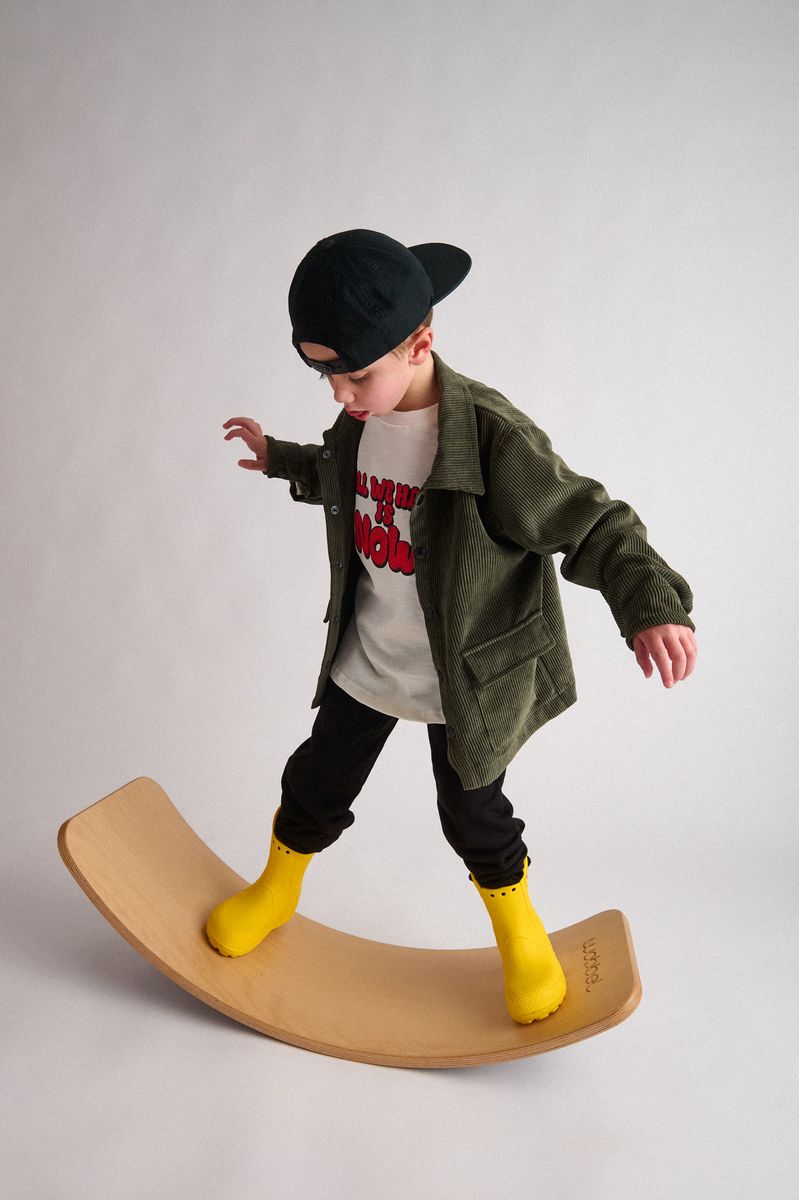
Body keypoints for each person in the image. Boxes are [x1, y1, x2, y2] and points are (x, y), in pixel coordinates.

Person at [204, 229, 697, 1024]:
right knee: (317, 780)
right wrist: (280, 459)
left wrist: (650, 608)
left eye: (353, 374)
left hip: (464, 678)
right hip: (371, 658)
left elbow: (592, 521)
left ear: (420, 344)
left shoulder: (492, 438)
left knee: (472, 813)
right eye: (324, 375)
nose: (339, 395)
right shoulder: (362, 419)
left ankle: (518, 931)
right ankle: (277, 889)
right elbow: (338, 474)